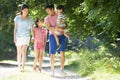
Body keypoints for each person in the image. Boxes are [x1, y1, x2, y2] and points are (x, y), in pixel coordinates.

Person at [44, 4, 68, 76]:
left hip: (62, 35)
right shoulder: (46, 18)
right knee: (52, 54)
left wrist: (63, 29)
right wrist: (57, 29)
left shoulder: (60, 14)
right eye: (46, 11)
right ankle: (52, 71)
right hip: (52, 36)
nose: (48, 12)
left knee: (62, 53)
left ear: (52, 9)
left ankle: (62, 70)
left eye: (48, 10)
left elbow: (65, 24)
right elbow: (49, 28)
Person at [14, 4, 34, 72]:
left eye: (27, 10)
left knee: (24, 51)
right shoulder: (17, 18)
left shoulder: (30, 18)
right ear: (22, 10)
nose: (26, 12)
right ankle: (19, 67)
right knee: (19, 52)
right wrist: (14, 37)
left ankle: (23, 67)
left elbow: (32, 28)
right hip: (18, 36)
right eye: (25, 10)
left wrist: (33, 36)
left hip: (26, 36)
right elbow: (15, 28)